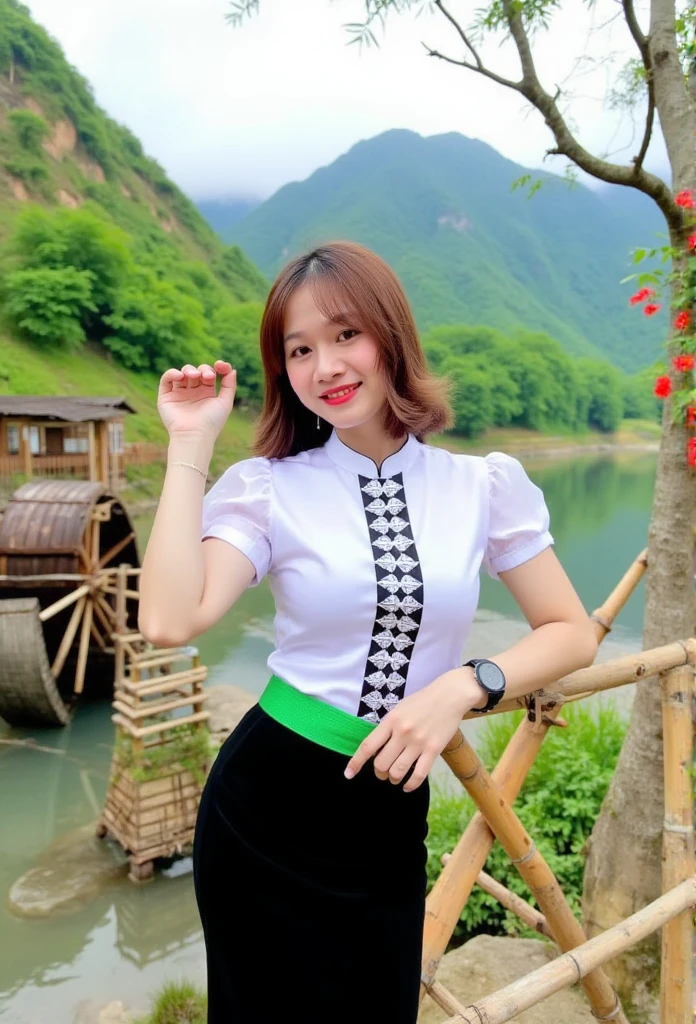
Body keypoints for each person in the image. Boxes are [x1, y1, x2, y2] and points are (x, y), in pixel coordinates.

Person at [138, 241, 597, 1024]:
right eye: (300, 349)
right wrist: (189, 444)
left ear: (390, 336)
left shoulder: (479, 486)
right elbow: (170, 619)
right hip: (264, 807)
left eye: (346, 335)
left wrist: (465, 684)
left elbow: (570, 631)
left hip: (388, 810)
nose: (327, 366)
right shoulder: (268, 491)